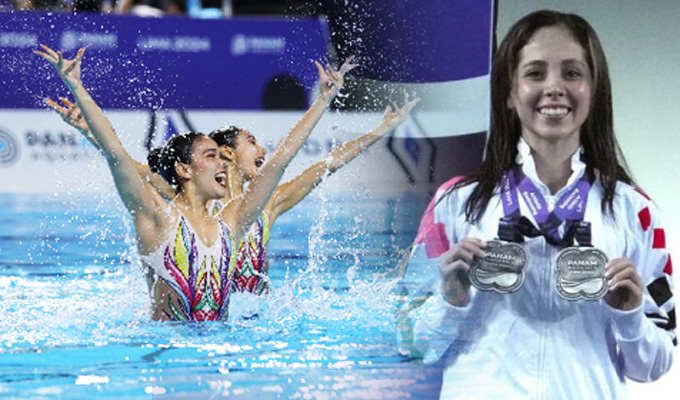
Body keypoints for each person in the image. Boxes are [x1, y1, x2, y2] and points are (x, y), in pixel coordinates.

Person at [398, 10, 675, 399]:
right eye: (535, 73)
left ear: (594, 92)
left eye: (572, 73)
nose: (554, 87)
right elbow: (410, 344)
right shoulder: (455, 204)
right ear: (510, 93)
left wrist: (629, 315)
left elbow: (656, 365)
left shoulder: (636, 211)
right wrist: (451, 299)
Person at [47, 63, 419, 296]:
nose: (262, 149)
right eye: (251, 142)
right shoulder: (168, 209)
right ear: (222, 156)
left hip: (247, 323)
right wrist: (86, 121)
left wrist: (372, 124)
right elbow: (123, 163)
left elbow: (314, 163)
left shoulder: (251, 211)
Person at [35, 44, 347, 321]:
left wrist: (322, 100)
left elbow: (279, 162)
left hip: (222, 355)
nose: (222, 163)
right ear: (184, 170)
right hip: (168, 355)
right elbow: (116, 153)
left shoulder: (233, 222)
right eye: (211, 156)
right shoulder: (158, 217)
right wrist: (75, 84)